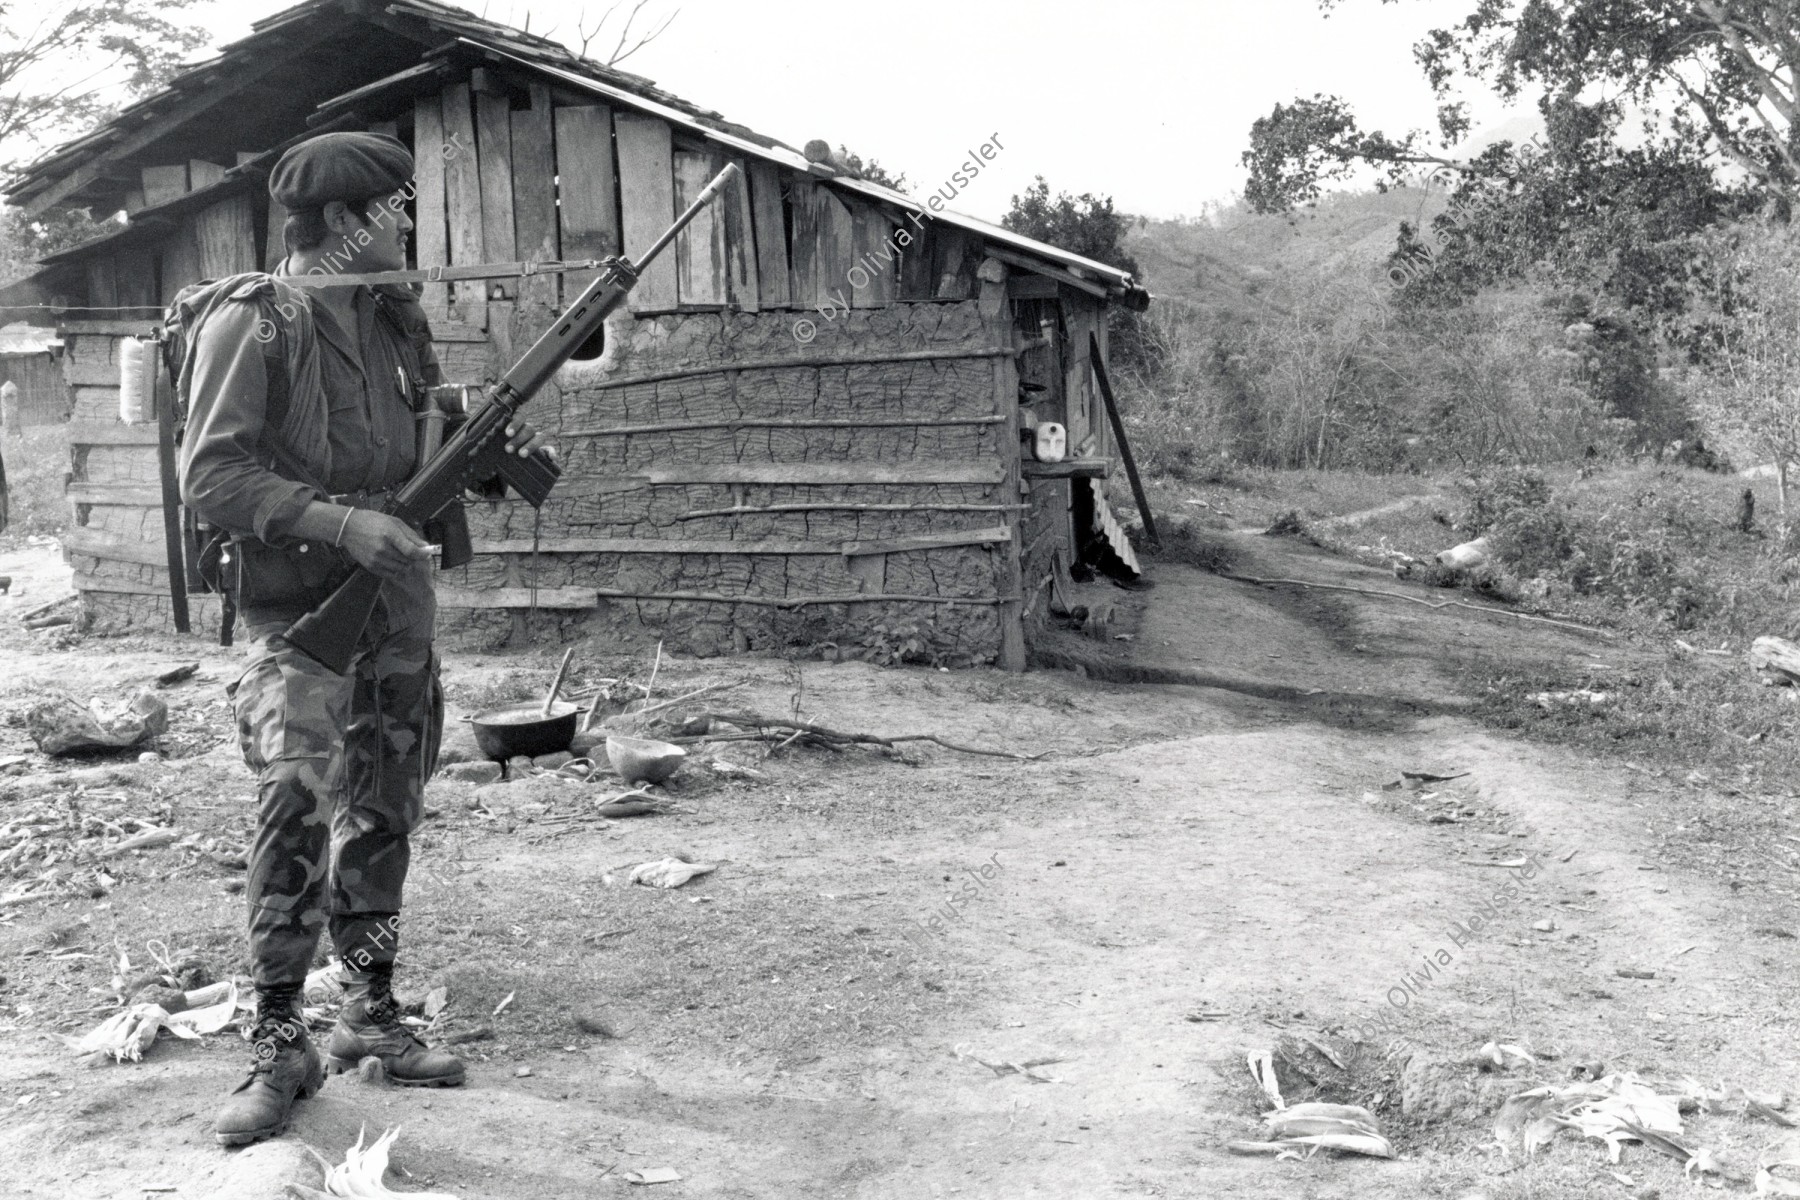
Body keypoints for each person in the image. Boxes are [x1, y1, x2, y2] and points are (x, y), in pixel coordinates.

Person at [176, 131, 551, 1145]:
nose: (411, 225)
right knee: (295, 810)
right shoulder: (257, 324)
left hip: (394, 613)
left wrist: (479, 454)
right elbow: (211, 477)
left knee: (386, 808)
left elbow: (407, 445)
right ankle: (276, 1040)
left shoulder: (392, 316)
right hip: (299, 623)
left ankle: (368, 1012)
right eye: (396, 208)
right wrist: (343, 523)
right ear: (344, 223)